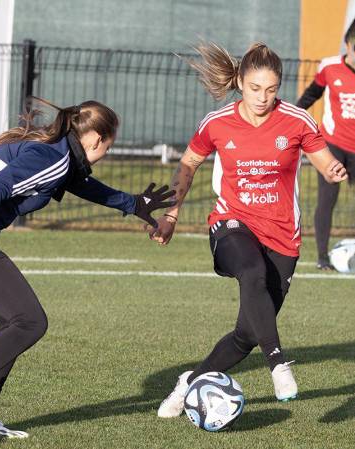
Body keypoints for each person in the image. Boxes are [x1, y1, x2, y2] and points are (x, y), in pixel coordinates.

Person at [0, 97, 175, 446]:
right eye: (109, 146)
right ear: (95, 139)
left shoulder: (59, 156)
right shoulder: (51, 157)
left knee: (15, 322)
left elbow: (82, 185)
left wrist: (133, 204)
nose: (107, 154)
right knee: (29, 321)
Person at [148, 42, 348, 418]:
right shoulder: (217, 122)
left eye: (271, 90)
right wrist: (171, 215)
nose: (263, 97)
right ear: (240, 82)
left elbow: (324, 162)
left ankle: (190, 383)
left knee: (247, 334)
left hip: (283, 237)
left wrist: (333, 169)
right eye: (255, 89)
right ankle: (278, 365)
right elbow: (188, 165)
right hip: (231, 223)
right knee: (251, 271)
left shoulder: (296, 120)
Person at [296, 19, 355, 270]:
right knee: (327, 200)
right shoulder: (330, 67)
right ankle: (322, 257)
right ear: (348, 44)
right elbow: (311, 95)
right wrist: (292, 120)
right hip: (333, 145)